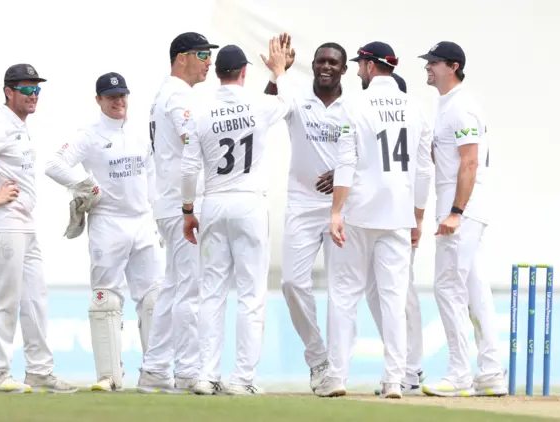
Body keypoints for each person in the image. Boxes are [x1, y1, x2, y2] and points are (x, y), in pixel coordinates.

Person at [314, 42, 431, 399]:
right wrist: (418, 217)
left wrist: (336, 211)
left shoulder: (355, 104)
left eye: (360, 65)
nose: (359, 70)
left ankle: (336, 377)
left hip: (361, 211)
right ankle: (394, 380)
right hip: (398, 215)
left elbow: (346, 162)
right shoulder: (416, 107)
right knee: (394, 300)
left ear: (368, 66)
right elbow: (424, 169)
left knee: (344, 294)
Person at [181, 39, 292, 395]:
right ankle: (242, 379)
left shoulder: (200, 110)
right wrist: (279, 71)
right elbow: (287, 103)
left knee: (212, 293)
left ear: (216, 73)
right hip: (249, 204)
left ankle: (205, 375)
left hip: (212, 203)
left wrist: (187, 209)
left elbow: (187, 169)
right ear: (245, 72)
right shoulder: (259, 104)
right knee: (250, 295)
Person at [44, 72, 163, 392]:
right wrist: (85, 184)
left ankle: (155, 374)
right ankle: (110, 376)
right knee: (105, 299)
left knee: (153, 297)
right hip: (108, 223)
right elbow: (54, 164)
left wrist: (160, 216)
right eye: (111, 97)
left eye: (122, 96)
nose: (118, 102)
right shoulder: (90, 135)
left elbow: (151, 175)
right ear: (99, 100)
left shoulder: (141, 132)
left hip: (142, 222)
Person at [0, 64, 76, 393]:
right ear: (8, 92)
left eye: (37, 89)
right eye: (26, 89)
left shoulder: (20, 127)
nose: (33, 95)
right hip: (3, 223)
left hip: (24, 223)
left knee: (36, 297)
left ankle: (40, 370)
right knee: (3, 300)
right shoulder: (0, 124)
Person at [418, 41, 506, 397]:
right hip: (463, 208)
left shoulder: (462, 107)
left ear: (452, 66)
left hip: (462, 211)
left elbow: (470, 162)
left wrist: (455, 211)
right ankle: (490, 372)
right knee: (474, 287)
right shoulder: (448, 106)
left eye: (434, 63)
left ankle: (459, 374)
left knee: (447, 286)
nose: (428, 67)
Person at [263, 34, 348, 392]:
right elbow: (264, 113)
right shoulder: (297, 97)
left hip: (341, 209)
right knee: (292, 283)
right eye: (321, 61)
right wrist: (275, 73)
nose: (326, 67)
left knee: (342, 292)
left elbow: (369, 156)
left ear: (344, 69)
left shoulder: (353, 108)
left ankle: (338, 370)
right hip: (301, 204)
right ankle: (318, 360)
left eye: (333, 62)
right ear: (312, 65)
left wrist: (346, 175)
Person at [137, 32, 219, 394]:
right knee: (191, 289)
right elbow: (196, 140)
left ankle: (155, 368)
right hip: (182, 204)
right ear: (181, 57)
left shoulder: (166, 93)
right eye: (202, 54)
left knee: (174, 288)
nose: (208, 61)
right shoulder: (177, 94)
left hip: (169, 201)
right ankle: (187, 371)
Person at [364, 72, 433, 396]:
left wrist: (418, 216)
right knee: (379, 293)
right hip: (387, 215)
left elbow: (423, 169)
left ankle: (411, 368)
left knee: (401, 293)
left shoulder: (408, 114)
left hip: (400, 217)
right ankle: (404, 364)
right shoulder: (403, 114)